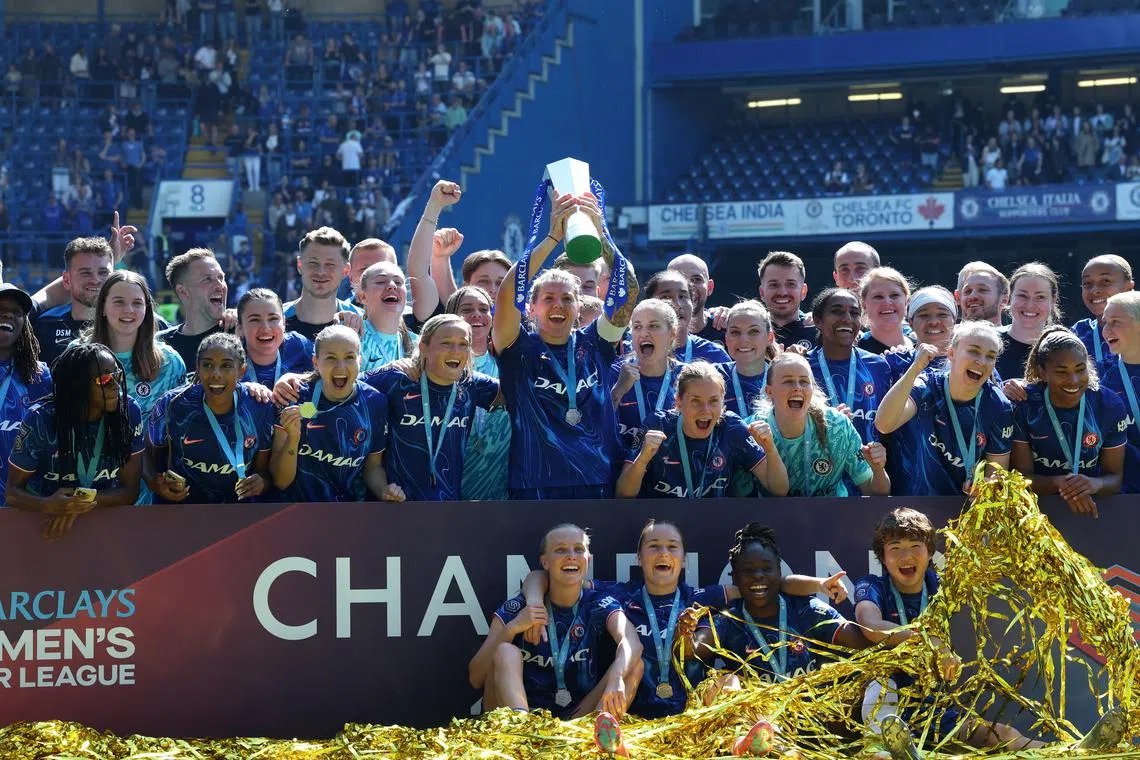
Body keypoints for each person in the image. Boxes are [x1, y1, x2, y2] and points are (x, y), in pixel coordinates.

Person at [518, 520, 848, 720]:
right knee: (636, 665)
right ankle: (606, 734)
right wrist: (534, 603)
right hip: (635, 710)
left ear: (683, 559)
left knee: (726, 679)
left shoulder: (701, 597)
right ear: (639, 557)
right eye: (654, 547)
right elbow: (540, 576)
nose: (663, 554)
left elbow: (771, 584)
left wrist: (819, 584)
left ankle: (743, 739)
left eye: (672, 547)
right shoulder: (618, 594)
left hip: (688, 712)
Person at [853, 509, 1045, 753]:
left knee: (1001, 736)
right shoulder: (872, 585)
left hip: (930, 704)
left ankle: (1072, 752)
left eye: (915, 546)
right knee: (881, 686)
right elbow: (870, 625)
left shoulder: (941, 584)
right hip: (885, 700)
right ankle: (882, 749)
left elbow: (984, 565)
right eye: (895, 548)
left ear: (930, 551)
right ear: (882, 556)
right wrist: (929, 641)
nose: (906, 556)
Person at [492, 190, 638, 500]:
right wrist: (550, 239)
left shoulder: (597, 343)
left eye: (567, 298)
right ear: (531, 308)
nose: (558, 305)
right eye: (548, 298)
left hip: (596, 480)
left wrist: (601, 235)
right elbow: (506, 295)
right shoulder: (517, 348)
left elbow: (627, 292)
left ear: (578, 306)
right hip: (534, 485)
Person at [679, 522, 869, 748]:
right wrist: (685, 633)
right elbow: (693, 650)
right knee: (720, 683)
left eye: (766, 569)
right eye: (748, 571)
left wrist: (884, 628)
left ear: (779, 571)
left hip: (814, 721)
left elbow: (860, 641)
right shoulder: (729, 620)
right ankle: (745, 744)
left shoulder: (806, 608)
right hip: (760, 723)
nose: (758, 576)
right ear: (735, 578)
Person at [468, 524, 644, 723]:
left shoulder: (598, 602)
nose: (571, 556)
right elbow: (476, 678)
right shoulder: (519, 607)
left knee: (634, 665)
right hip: (526, 721)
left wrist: (617, 677)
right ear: (544, 561)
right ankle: (522, 731)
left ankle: (597, 738)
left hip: (578, 718)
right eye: (560, 550)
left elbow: (632, 642)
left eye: (579, 549)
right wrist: (514, 627)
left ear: (589, 559)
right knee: (505, 651)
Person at [7, 343, 143, 538]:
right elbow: (12, 493)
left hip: (102, 525)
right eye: (104, 379)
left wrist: (73, 505)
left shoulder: (127, 412)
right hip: (43, 526)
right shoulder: (40, 419)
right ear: (77, 385)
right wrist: (46, 505)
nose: (115, 386)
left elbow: (130, 492)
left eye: (117, 376)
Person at [363, 314, 500, 501]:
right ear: (423, 348)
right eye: (446, 343)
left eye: (463, 344)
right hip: (396, 504)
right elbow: (344, 387)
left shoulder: (470, 383)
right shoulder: (397, 379)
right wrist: (386, 368)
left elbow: (520, 393)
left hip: (447, 510)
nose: (455, 350)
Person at [875, 322, 1012, 496]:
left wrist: (985, 488)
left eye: (990, 356)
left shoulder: (998, 406)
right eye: (974, 351)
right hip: (913, 508)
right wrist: (915, 368)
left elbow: (997, 475)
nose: (981, 361)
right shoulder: (927, 385)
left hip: (963, 513)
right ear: (951, 354)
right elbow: (884, 424)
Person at [616, 361, 788, 499]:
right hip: (664, 530)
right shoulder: (657, 424)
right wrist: (643, 459)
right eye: (696, 401)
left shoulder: (732, 428)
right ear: (679, 402)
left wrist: (770, 449)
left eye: (713, 401)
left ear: (722, 402)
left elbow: (779, 489)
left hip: (714, 529)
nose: (705, 410)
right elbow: (623, 493)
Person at [146, 333, 277, 504]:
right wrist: (156, 484)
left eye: (226, 366)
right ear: (197, 368)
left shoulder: (260, 408)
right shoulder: (172, 404)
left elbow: (264, 472)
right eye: (207, 365)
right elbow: (147, 457)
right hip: (184, 511)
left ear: (241, 371)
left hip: (239, 513)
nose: (216, 374)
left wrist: (262, 483)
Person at [1011, 326, 1126, 517]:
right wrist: (1061, 484)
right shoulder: (1025, 405)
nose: (1073, 380)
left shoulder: (1109, 405)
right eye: (1061, 372)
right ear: (1042, 372)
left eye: (1080, 369)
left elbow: (1114, 479)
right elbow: (1020, 478)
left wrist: (1093, 484)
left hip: (1089, 510)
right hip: (1034, 515)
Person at [269, 325, 392, 502]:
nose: (340, 366)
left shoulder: (375, 402)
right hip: (299, 512)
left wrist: (383, 491)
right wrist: (293, 438)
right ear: (315, 363)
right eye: (331, 358)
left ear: (360, 361)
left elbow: (373, 468)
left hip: (350, 514)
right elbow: (281, 482)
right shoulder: (294, 395)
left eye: (349, 357)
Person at [745, 353, 890, 497]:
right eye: (788, 381)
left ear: (812, 389)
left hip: (830, 517)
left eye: (804, 381)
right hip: (769, 518)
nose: (797, 387)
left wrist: (878, 471)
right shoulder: (751, 431)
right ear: (769, 391)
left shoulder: (838, 426)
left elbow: (875, 492)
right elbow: (738, 498)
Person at [86, 271, 186, 414]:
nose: (128, 310)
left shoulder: (170, 362)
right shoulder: (79, 356)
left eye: (137, 303)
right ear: (102, 307)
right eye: (119, 302)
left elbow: (182, 421)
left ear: (147, 309)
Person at [445, 286, 510, 501]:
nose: (477, 314)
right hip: (451, 482)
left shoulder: (507, 361)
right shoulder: (438, 364)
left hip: (499, 482)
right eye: (467, 309)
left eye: (484, 309)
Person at [806, 288, 892, 444]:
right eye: (837, 311)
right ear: (818, 320)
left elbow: (886, 428)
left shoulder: (878, 366)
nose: (847, 319)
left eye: (854, 313)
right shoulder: (803, 366)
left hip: (869, 465)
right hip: (816, 465)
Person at [0, 284, 53, 506]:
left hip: (25, 502)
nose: (8, 314)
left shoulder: (40, 376)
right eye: (0, 308)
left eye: (17, 312)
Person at [610, 299, 681, 451]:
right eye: (637, 327)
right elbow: (593, 427)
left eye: (653, 326)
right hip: (620, 471)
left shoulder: (686, 377)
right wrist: (618, 390)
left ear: (672, 333)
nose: (643, 334)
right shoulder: (613, 374)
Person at [32, 237, 115, 366]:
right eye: (86, 273)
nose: (95, 280)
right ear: (66, 280)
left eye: (103, 272)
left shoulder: (131, 325)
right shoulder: (44, 325)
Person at [282, 227, 362, 341]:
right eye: (313, 263)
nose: (321, 272)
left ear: (345, 270)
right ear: (299, 265)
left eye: (330, 265)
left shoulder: (361, 323)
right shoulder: (276, 320)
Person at [156, 248, 228, 368]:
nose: (220, 286)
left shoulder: (240, 333)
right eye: (207, 279)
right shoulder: (160, 345)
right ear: (183, 292)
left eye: (221, 278)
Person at [1099, 291, 1140, 494]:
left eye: (1115, 322)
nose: (1106, 331)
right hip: (1123, 497)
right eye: (1105, 322)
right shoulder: (1103, 377)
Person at [643, 270, 729, 364]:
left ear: (693, 303)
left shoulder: (714, 355)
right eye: (666, 297)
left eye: (682, 297)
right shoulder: (634, 350)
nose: (677, 304)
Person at [995, 263, 1061, 382]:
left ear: (1053, 300)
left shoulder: (1064, 348)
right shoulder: (989, 342)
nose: (1030, 305)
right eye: (1022, 296)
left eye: (1040, 297)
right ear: (1010, 296)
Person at [237, 288, 312, 387]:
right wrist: (240, 389)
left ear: (284, 322)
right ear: (240, 328)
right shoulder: (230, 357)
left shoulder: (298, 345)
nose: (265, 328)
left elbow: (329, 369)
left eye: (273, 318)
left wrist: (299, 377)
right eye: (255, 320)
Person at [881, 286, 957, 382]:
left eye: (942, 314)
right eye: (924, 315)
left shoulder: (968, 362)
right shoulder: (894, 362)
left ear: (954, 320)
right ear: (911, 323)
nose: (933, 322)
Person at [716, 300, 776, 420]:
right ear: (726, 339)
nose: (744, 340)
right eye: (735, 332)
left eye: (754, 331)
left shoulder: (783, 376)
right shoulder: (714, 376)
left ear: (769, 338)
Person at [357, 261, 419, 371]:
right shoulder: (353, 334)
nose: (392, 286)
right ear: (362, 296)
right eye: (381, 281)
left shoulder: (417, 343)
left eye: (398, 282)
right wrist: (383, 372)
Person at [1072, 254, 1133, 365]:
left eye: (1106, 281)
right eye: (1087, 283)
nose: (1095, 290)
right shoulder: (1078, 334)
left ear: (1129, 288)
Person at [757, 251, 817, 351]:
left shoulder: (820, 333)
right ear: (762, 292)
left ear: (803, 291)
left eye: (791, 284)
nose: (782, 292)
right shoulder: (747, 333)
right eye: (774, 285)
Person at [668, 253, 722, 344]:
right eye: (679, 280)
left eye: (696, 279)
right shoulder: (652, 334)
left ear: (709, 287)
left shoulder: (727, 331)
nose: (688, 287)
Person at [857, 268, 913, 355]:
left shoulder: (922, 346)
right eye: (878, 296)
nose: (887, 302)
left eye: (894, 295)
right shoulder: (855, 353)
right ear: (864, 305)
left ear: (906, 301)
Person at [955, 261, 1009, 327]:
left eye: (982, 290)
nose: (972, 296)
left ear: (1004, 300)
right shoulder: (945, 337)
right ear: (957, 298)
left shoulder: (1018, 337)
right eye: (968, 291)